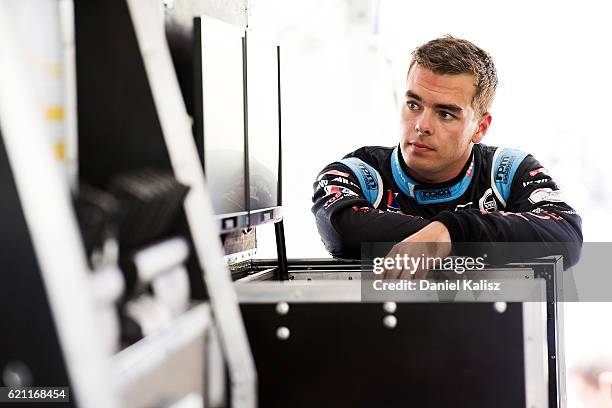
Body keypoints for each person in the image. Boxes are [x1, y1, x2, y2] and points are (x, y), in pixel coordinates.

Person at [311, 36, 582, 273]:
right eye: (413, 104)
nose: (422, 125)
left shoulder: (509, 171)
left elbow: (566, 237)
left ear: (480, 127)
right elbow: (342, 231)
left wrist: (453, 231)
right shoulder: (355, 173)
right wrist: (450, 235)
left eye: (445, 114)